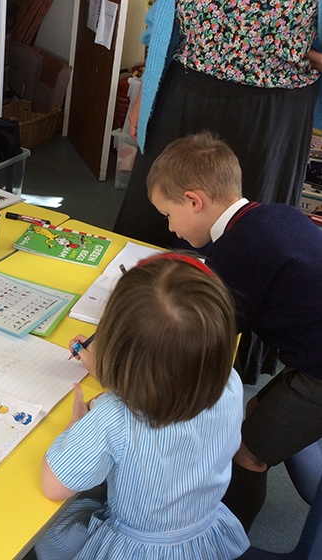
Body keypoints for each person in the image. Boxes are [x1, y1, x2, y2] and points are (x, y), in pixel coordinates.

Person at [147, 132, 322, 531]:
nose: (171, 228)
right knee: (253, 410)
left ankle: (227, 537)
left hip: (318, 372)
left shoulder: (238, 251)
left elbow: (203, 333)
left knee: (246, 452)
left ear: (194, 201)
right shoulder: (271, 215)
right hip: (311, 353)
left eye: (168, 215)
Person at [36, 254, 249, 560]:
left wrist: (76, 424)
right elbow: (174, 385)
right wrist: (114, 374)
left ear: (115, 344)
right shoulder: (229, 382)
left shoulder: (115, 415)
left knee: (51, 537)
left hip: (137, 549)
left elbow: (53, 486)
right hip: (202, 532)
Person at [113, 0, 322, 250]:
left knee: (251, 244)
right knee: (148, 223)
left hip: (272, 114)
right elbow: (162, 23)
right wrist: (146, 89)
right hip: (183, 91)